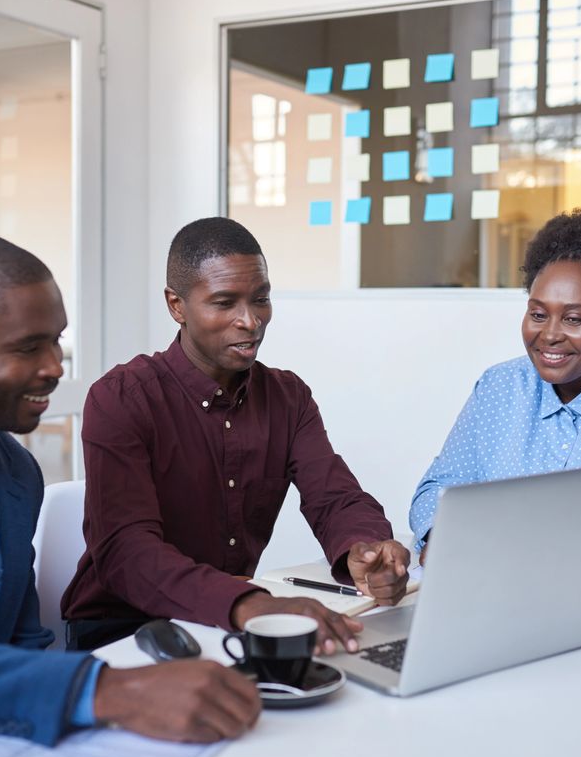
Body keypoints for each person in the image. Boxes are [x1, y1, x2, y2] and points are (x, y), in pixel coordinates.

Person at [0, 233, 260, 746]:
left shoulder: (14, 473)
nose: (53, 368)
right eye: (27, 347)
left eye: (56, 341)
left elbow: (21, 642)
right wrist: (107, 691)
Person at [62, 217, 411, 653]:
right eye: (225, 303)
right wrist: (248, 604)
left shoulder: (288, 397)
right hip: (122, 629)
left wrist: (366, 549)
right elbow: (128, 555)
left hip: (226, 623)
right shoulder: (121, 399)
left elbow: (334, 496)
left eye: (261, 299)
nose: (250, 321)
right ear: (176, 305)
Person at [410, 208, 581, 564]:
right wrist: (442, 536)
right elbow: (437, 490)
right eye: (538, 314)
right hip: (495, 588)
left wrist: (536, 548)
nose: (549, 335)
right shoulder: (500, 387)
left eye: (573, 319)